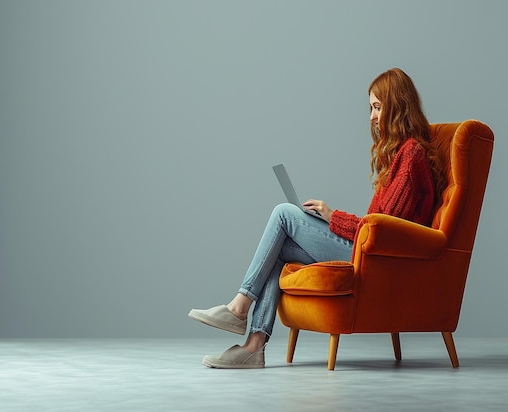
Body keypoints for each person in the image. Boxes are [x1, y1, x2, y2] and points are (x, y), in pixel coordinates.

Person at [188, 68, 444, 369]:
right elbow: (379, 225)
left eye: (377, 107)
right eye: (370, 108)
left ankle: (240, 306)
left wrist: (332, 215)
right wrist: (332, 216)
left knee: (284, 214)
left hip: (379, 260)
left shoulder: (411, 155)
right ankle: (253, 346)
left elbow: (383, 230)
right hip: (371, 250)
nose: (372, 117)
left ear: (398, 105)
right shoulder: (401, 154)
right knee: (279, 248)